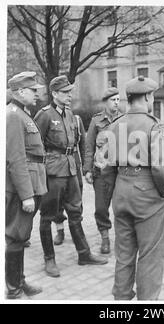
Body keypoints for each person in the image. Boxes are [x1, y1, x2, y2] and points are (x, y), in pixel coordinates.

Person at [101, 75, 164, 300]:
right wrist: (163, 193)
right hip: (148, 194)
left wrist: (115, 194)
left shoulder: (114, 125)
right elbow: (161, 169)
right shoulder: (155, 126)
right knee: (150, 256)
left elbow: (106, 168)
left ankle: (121, 298)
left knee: (124, 253)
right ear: (149, 97)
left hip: (121, 191)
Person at [34, 75, 108, 278]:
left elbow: (78, 143)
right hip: (52, 172)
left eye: (70, 91)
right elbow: (34, 147)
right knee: (48, 215)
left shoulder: (70, 114)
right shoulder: (44, 115)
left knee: (75, 213)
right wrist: (39, 176)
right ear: (54, 93)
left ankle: (84, 254)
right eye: (65, 92)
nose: (70, 95)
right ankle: (49, 259)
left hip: (70, 170)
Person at [6, 71, 47, 299]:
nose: (37, 93)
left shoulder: (22, 114)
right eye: (33, 90)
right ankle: (13, 289)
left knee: (21, 236)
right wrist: (26, 195)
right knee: (15, 235)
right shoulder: (13, 115)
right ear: (20, 92)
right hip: (23, 187)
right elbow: (16, 158)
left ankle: (19, 282)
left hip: (32, 183)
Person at [83, 88, 120, 254]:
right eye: (113, 100)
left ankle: (125, 237)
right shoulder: (96, 120)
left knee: (123, 206)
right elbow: (89, 146)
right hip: (102, 172)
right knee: (101, 208)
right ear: (106, 102)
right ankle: (105, 238)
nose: (116, 103)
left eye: (118, 100)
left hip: (121, 172)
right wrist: (87, 170)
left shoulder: (124, 119)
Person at [53, 113, 86, 246]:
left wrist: (84, 166)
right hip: (58, 163)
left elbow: (83, 144)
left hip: (75, 162)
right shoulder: (52, 117)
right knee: (58, 198)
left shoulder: (77, 119)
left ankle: (77, 230)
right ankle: (60, 230)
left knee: (77, 197)